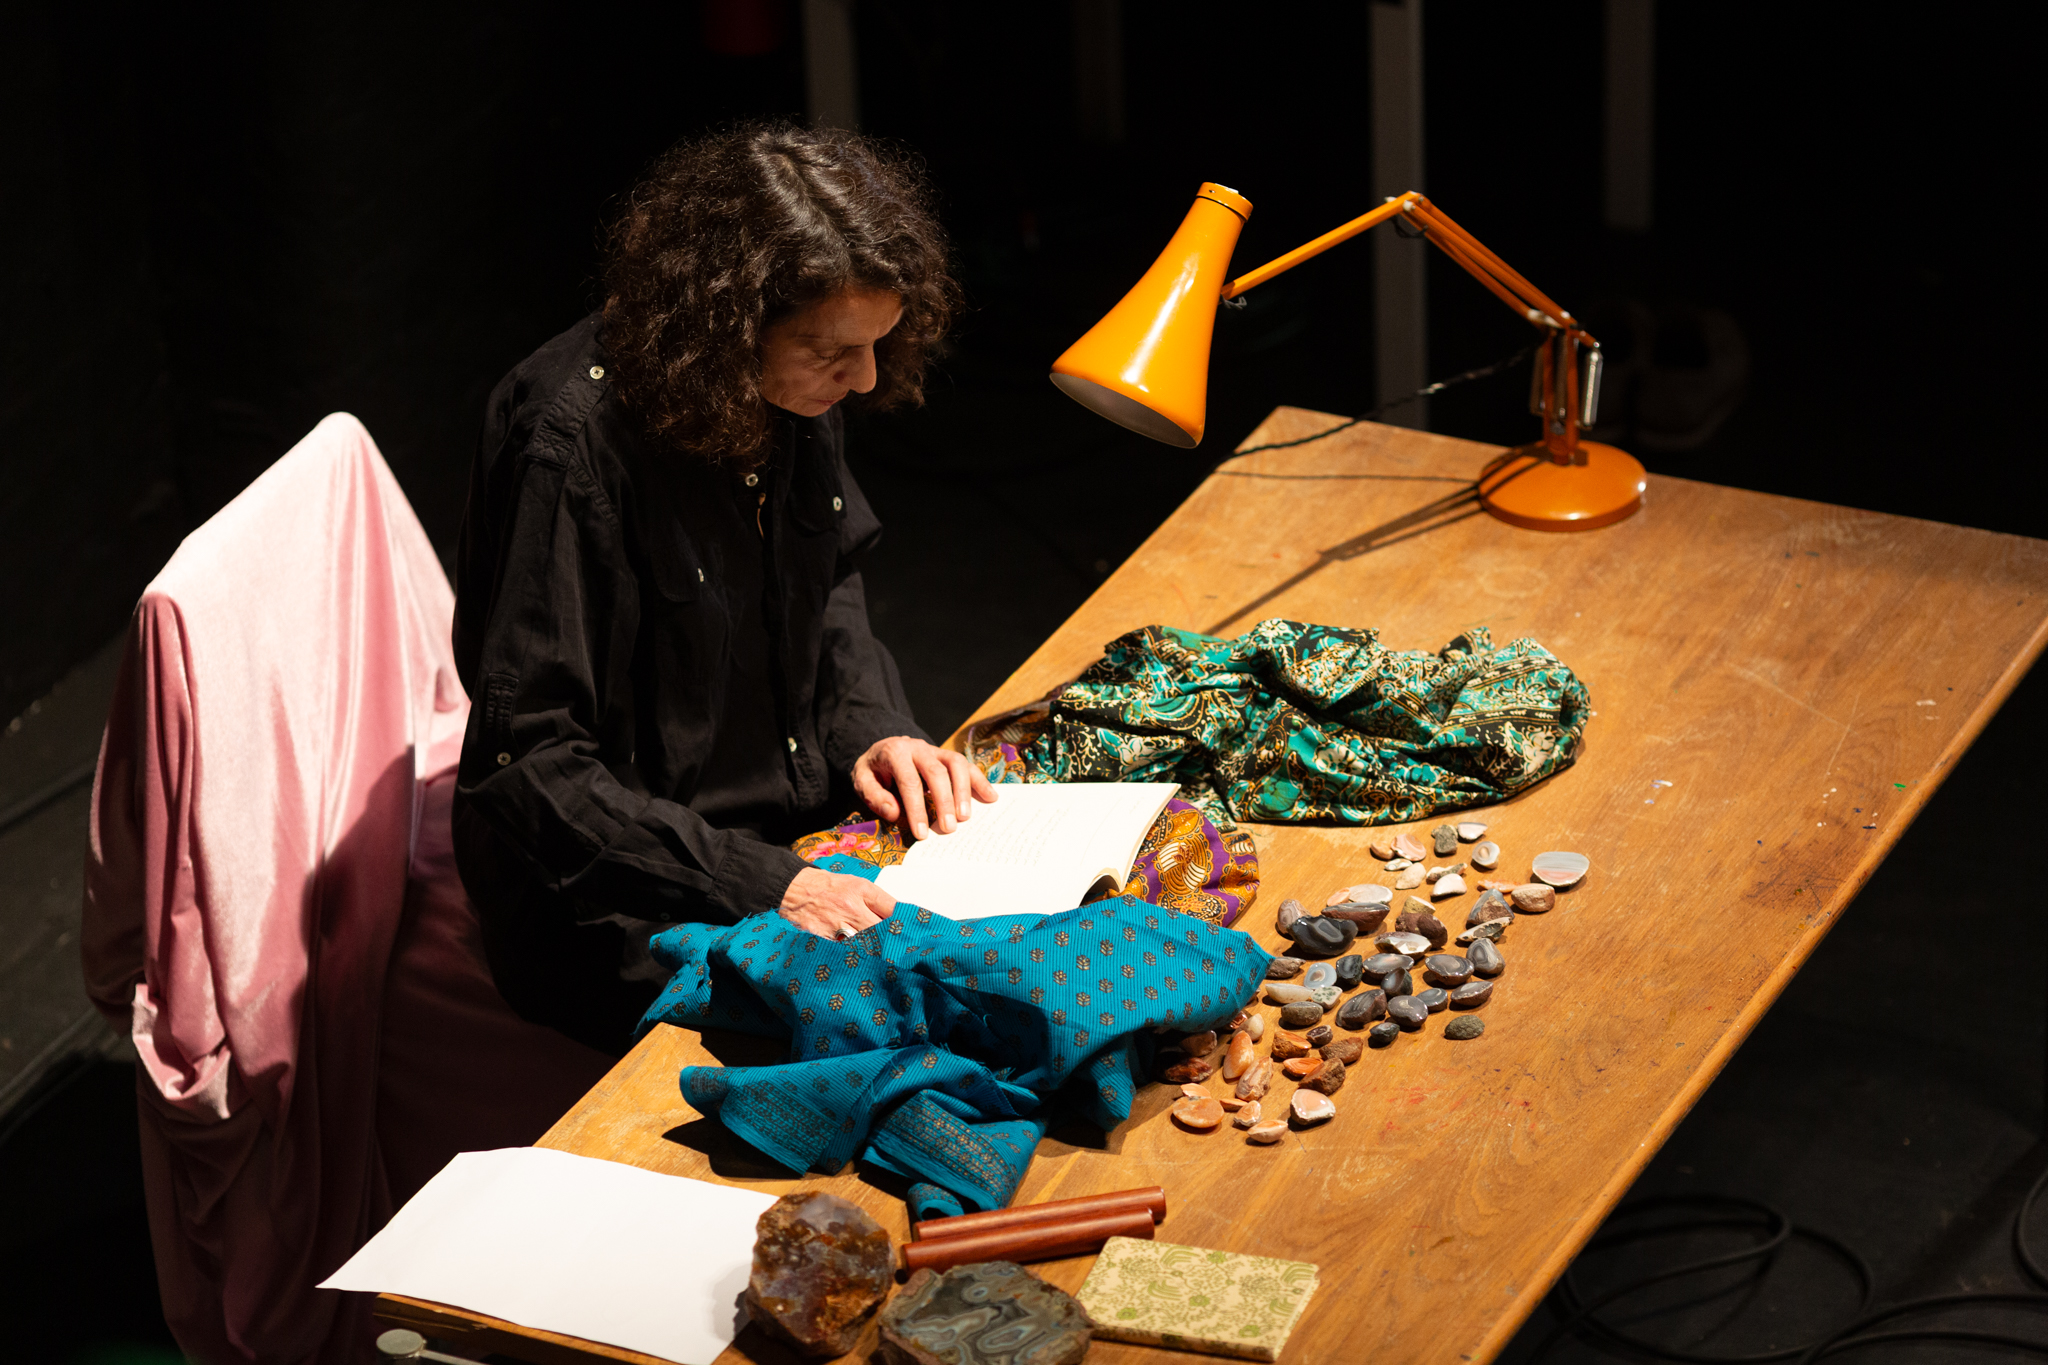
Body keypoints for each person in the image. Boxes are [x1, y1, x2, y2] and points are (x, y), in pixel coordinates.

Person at [451, 124, 994, 1053]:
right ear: (727, 327)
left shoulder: (793, 389)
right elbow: (531, 769)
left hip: (786, 830)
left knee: (1019, 937)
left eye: (874, 346)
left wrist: (876, 726)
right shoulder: (572, 447)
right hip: (616, 890)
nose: (862, 379)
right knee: (927, 1032)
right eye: (833, 352)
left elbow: (831, 584)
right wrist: (766, 883)